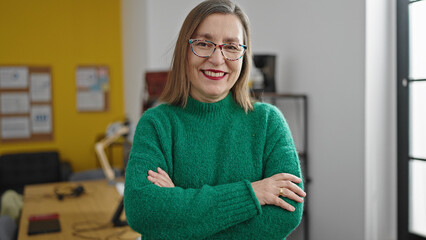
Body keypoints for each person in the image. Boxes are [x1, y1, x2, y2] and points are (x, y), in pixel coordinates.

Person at [124, 0, 306, 239]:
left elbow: (286, 215)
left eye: (231, 47)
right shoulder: (156, 124)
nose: (218, 59)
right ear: (184, 51)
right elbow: (143, 211)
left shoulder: (268, 122)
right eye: (203, 43)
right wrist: (252, 193)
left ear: (244, 56)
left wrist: (179, 212)